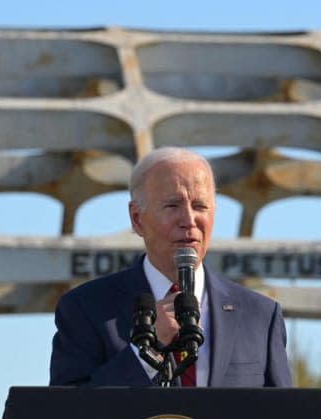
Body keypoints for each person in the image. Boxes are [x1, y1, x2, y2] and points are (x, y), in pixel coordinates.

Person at [50, 147, 292, 388]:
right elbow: (70, 417)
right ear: (137, 218)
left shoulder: (261, 317)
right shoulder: (86, 309)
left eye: (199, 206)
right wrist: (147, 352)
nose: (189, 220)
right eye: (172, 206)